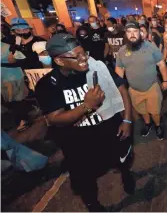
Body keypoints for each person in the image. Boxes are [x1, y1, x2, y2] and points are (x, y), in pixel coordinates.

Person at [35, 33, 134, 211]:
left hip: (110, 131)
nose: (84, 59)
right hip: (78, 142)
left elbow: (121, 89)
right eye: (77, 56)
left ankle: (126, 175)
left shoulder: (98, 69)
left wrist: (127, 119)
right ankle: (93, 204)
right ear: (59, 61)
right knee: (84, 179)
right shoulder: (48, 85)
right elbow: (54, 118)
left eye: (84, 53)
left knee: (123, 159)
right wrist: (86, 106)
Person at [115, 22, 167, 140]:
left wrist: (165, 81)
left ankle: (158, 125)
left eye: (135, 31)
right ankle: (147, 124)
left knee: (155, 112)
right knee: (142, 110)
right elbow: (119, 67)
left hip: (152, 87)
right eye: (129, 32)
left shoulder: (150, 47)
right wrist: (119, 88)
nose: (132, 35)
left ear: (140, 33)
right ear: (125, 34)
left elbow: (161, 64)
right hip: (134, 89)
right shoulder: (122, 51)